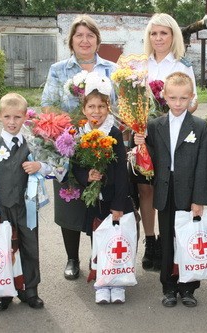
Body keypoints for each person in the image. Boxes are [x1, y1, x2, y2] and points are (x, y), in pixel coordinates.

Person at [40, 14, 117, 280]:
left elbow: (118, 107)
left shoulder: (111, 69)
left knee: (101, 202)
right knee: (70, 202)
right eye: (79, 35)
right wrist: (71, 126)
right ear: (71, 40)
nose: (85, 40)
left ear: (98, 40)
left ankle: (99, 256)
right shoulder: (59, 70)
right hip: (69, 146)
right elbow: (48, 105)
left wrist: (102, 131)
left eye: (90, 35)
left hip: (104, 144)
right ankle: (72, 258)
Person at [134, 72, 207, 307]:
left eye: (183, 99)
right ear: (164, 96)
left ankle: (188, 287)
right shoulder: (155, 125)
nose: (177, 103)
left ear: (191, 98)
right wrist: (139, 144)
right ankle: (168, 286)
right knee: (167, 240)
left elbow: (202, 165)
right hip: (165, 190)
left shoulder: (199, 125)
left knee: (187, 240)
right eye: (173, 98)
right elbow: (150, 158)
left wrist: (199, 199)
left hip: (188, 191)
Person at [134, 13, 199, 272]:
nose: (158, 38)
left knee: (168, 188)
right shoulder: (139, 65)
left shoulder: (183, 65)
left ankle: (167, 240)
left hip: (173, 136)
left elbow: (192, 102)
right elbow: (129, 99)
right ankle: (151, 242)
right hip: (144, 136)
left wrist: (168, 115)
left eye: (164, 33)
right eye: (153, 33)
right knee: (145, 189)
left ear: (174, 36)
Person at [0, 93, 51, 311]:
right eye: (8, 117)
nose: (12, 122)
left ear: (25, 117)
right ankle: (4, 292)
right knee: (5, 248)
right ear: (0, 116)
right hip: (3, 208)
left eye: (17, 117)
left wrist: (40, 166)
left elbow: (51, 165)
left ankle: (30, 290)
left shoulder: (32, 143)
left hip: (27, 206)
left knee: (30, 246)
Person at [72, 74, 134, 304]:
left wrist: (119, 204)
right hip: (94, 200)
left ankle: (117, 282)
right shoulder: (79, 133)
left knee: (117, 241)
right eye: (91, 106)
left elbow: (120, 172)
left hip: (113, 199)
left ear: (108, 107)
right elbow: (75, 166)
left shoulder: (114, 133)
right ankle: (101, 280)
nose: (96, 111)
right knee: (98, 240)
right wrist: (86, 176)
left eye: (101, 106)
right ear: (84, 108)